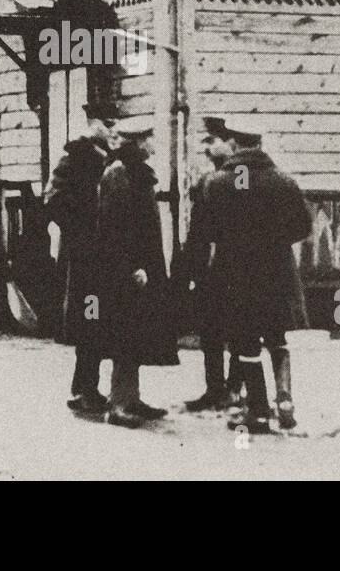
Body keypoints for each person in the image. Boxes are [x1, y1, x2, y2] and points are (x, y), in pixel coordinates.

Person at [206, 118, 310, 433]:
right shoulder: (283, 180)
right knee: (277, 338)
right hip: (277, 274)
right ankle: (286, 400)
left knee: (246, 344)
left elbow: (209, 229)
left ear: (235, 144)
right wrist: (273, 241)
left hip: (237, 277)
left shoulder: (220, 182)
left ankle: (259, 411)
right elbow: (303, 227)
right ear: (259, 143)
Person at [96, 119, 179, 428]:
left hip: (143, 266)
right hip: (126, 270)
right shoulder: (118, 173)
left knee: (137, 332)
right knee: (124, 333)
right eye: (150, 138)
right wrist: (131, 266)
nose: (154, 143)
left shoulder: (137, 172)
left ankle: (132, 398)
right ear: (138, 142)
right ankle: (117, 405)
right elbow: (114, 227)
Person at [45, 101, 119, 414]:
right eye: (107, 122)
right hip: (86, 259)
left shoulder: (111, 157)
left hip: (106, 257)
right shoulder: (74, 157)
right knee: (90, 320)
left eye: (114, 122)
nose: (112, 128)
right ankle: (83, 389)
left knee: (101, 321)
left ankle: (88, 388)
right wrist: (85, 228)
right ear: (92, 122)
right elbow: (53, 200)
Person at [178, 116, 241, 412]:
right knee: (212, 332)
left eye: (213, 141)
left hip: (234, 266)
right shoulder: (205, 182)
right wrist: (191, 268)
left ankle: (235, 388)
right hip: (210, 269)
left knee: (240, 331)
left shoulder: (240, 180)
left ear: (230, 144)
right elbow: (197, 231)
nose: (208, 149)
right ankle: (216, 389)